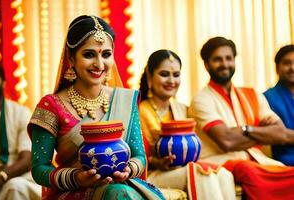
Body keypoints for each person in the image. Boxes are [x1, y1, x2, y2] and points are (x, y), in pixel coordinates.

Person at [27, 15, 165, 200]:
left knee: (121, 192)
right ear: (71, 58)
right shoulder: (51, 105)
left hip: (121, 186)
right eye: (89, 54)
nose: (99, 64)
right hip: (73, 192)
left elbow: (139, 156)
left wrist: (128, 169)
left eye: (106, 54)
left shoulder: (125, 100)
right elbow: (39, 169)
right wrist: (76, 178)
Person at [188, 36, 294, 200]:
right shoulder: (201, 99)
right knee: (248, 170)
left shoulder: (251, 94)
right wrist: (263, 134)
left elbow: (279, 133)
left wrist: (245, 130)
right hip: (222, 163)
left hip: (258, 161)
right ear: (206, 64)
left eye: (229, 58)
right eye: (217, 59)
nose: (224, 64)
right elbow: (227, 141)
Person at [139, 49, 236, 200]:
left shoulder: (183, 109)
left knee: (223, 173)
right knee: (201, 173)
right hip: (152, 174)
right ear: (150, 77)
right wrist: (158, 162)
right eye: (164, 74)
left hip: (183, 168)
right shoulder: (140, 111)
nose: (171, 81)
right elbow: (137, 154)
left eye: (176, 75)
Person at [0, 63, 41, 200]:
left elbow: (27, 160)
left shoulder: (20, 113)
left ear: (3, 83)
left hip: (13, 176)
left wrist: (3, 175)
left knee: (15, 187)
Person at [264, 45, 294, 165]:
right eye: (287, 63)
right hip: (286, 162)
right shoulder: (266, 98)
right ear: (277, 68)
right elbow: (275, 135)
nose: (292, 68)